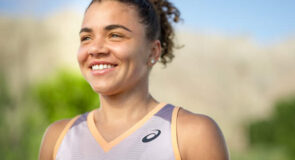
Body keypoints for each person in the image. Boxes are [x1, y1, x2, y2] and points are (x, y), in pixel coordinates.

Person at [39, 0, 229, 159]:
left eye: (114, 35)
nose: (95, 49)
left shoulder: (192, 134)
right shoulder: (58, 138)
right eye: (86, 37)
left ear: (153, 52)